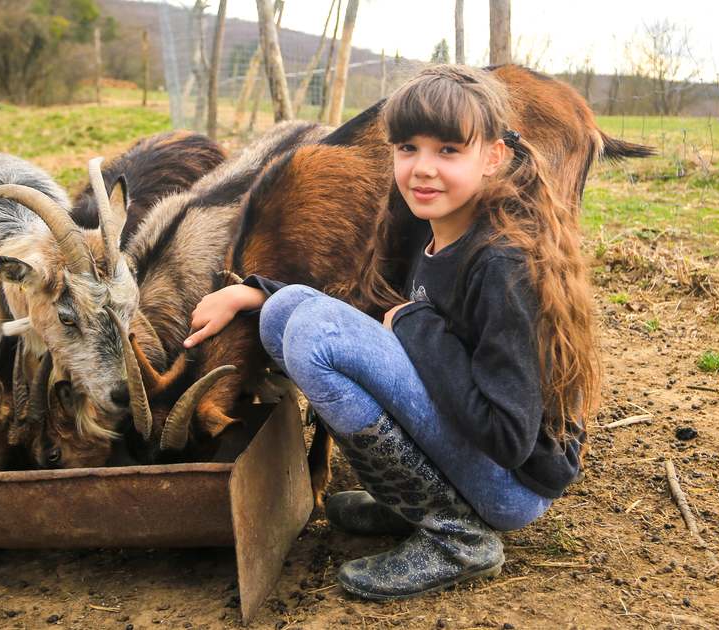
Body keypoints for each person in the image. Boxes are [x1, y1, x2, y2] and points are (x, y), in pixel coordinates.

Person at [182, 65, 600, 601]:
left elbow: (509, 436)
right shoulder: (426, 232)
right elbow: (366, 309)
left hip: (511, 482)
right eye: (408, 148)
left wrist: (414, 325)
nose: (423, 169)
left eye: (448, 150)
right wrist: (256, 293)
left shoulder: (501, 265)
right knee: (287, 315)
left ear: (493, 157)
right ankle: (414, 498)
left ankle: (457, 535)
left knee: (313, 338)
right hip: (473, 451)